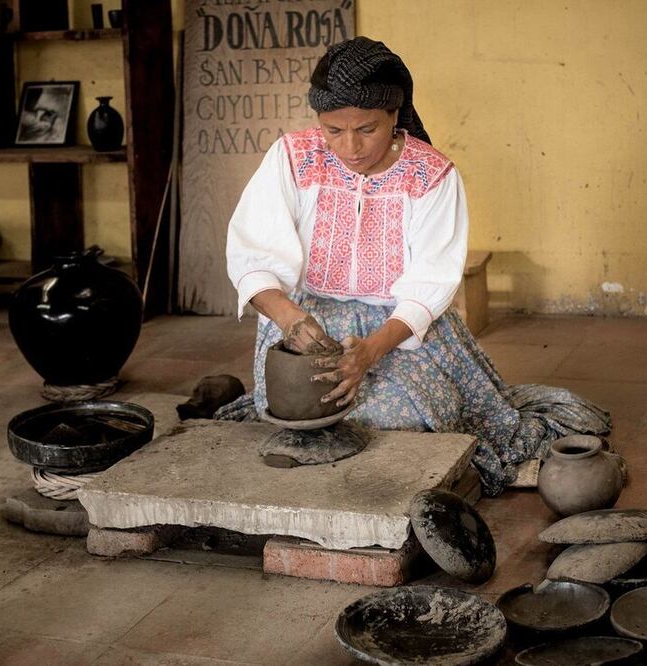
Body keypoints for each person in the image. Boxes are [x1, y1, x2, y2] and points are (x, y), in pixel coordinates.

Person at [219, 37, 610, 495]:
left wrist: (370, 351)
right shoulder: (291, 158)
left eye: (367, 129)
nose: (349, 147)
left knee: (405, 417)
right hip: (307, 320)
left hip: (398, 328)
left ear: (394, 116)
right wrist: (289, 317)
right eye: (332, 130)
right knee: (291, 405)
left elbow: (430, 283)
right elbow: (252, 251)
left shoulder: (432, 176)